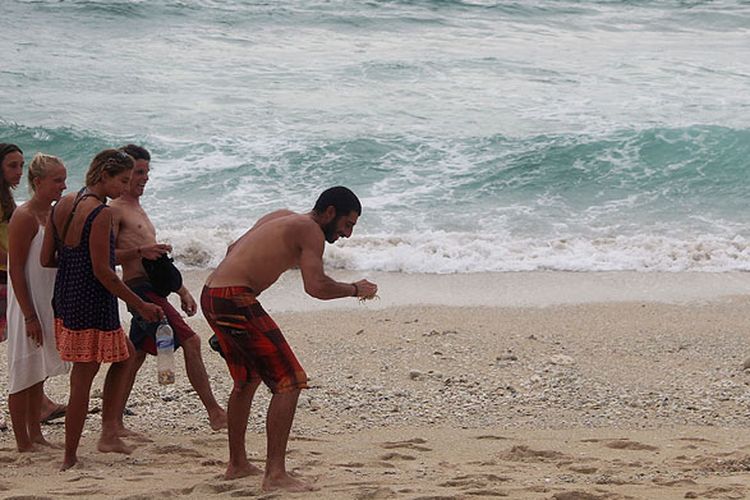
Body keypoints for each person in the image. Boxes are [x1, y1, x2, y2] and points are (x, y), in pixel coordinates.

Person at [201, 186, 377, 491]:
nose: (347, 234)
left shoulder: (280, 216)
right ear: (331, 212)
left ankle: (238, 464)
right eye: (347, 225)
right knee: (290, 381)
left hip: (211, 294)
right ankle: (275, 475)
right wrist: (355, 289)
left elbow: (232, 249)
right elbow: (317, 286)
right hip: (234, 299)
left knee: (247, 380)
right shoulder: (310, 230)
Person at [41, 149, 163, 470]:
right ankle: (70, 457)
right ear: (103, 175)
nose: (124, 188)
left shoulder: (64, 203)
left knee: (125, 354)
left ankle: (109, 430)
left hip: (66, 298)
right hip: (93, 303)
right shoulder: (101, 213)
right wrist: (140, 305)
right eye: (121, 180)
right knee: (83, 381)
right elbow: (104, 272)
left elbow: (46, 259)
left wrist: (75, 266)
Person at [109, 144, 227, 434]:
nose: (144, 178)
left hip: (155, 287)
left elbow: (155, 259)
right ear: (123, 173)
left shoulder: (140, 210)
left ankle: (113, 422)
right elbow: (105, 257)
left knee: (133, 356)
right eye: (138, 172)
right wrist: (139, 250)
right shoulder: (114, 210)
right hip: (138, 291)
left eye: (147, 172)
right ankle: (215, 412)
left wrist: (182, 290)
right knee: (192, 341)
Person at [7, 153, 71, 451]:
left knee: (38, 370)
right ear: (38, 182)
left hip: (48, 299)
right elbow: (15, 269)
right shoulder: (25, 216)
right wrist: (28, 314)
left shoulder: (54, 214)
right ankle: (23, 442)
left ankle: (36, 434)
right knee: (23, 370)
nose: (63, 185)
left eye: (63, 179)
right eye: (57, 180)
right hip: (26, 301)